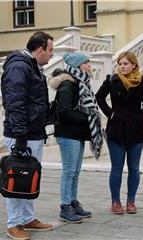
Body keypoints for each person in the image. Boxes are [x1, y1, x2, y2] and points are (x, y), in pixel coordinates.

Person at [1, 31, 54, 240]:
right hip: (20, 134)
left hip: (32, 133)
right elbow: (15, 104)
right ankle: (13, 224)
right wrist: (21, 137)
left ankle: (27, 218)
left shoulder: (32, 67)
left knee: (30, 177)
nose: (51, 54)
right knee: (17, 177)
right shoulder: (19, 67)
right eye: (50, 50)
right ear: (39, 49)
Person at [49, 52, 104, 223]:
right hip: (67, 134)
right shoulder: (68, 84)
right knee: (69, 171)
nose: (89, 66)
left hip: (76, 133)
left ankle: (73, 202)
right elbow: (65, 112)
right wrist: (89, 118)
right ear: (78, 66)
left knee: (75, 172)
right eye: (86, 63)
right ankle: (65, 207)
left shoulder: (81, 83)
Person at [95, 52, 143, 215]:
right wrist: (110, 113)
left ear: (134, 65)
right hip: (116, 129)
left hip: (136, 129)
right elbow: (99, 97)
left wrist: (141, 118)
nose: (122, 66)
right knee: (117, 167)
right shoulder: (111, 80)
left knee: (134, 168)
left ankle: (131, 201)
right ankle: (115, 201)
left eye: (126, 63)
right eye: (120, 64)